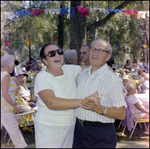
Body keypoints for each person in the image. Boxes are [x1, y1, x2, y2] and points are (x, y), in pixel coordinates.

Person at [34, 43, 96, 148]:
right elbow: (51, 102)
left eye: (59, 52)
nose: (57, 55)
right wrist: (84, 102)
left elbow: (90, 69)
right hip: (49, 128)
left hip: (69, 126)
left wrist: (105, 68)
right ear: (44, 60)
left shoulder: (69, 69)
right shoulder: (42, 77)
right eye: (51, 54)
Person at [73, 39, 127, 148]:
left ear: (108, 57)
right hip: (78, 132)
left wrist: (99, 109)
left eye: (101, 51)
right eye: (93, 49)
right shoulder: (81, 76)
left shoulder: (112, 80)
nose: (95, 53)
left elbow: (121, 114)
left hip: (101, 134)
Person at [1, 54, 27, 148]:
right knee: (14, 130)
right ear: (9, 65)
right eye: (12, 64)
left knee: (14, 129)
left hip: (5, 108)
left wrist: (16, 81)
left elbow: (7, 88)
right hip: (5, 108)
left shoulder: (4, 75)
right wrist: (15, 106)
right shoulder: (6, 76)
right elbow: (4, 93)